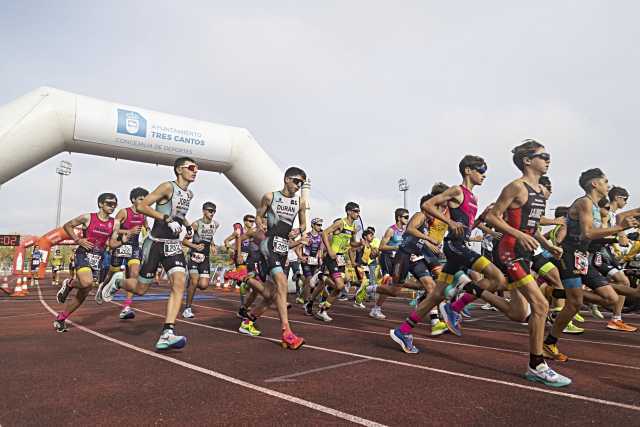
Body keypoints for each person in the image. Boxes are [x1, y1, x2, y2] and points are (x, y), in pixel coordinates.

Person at [98, 157, 198, 350]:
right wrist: (166, 218)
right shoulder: (167, 187)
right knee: (141, 289)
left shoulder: (189, 194)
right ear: (179, 169)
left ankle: (167, 332)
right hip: (154, 244)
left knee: (179, 282)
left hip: (173, 245)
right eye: (192, 168)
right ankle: (118, 280)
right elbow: (142, 207)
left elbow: (179, 214)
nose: (195, 171)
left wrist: (187, 225)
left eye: (197, 169)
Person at [543, 168, 638, 362]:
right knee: (575, 304)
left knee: (610, 299)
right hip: (569, 255)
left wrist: (620, 231)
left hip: (583, 257)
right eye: (605, 181)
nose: (608, 185)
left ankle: (561, 292)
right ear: (595, 184)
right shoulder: (584, 202)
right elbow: (587, 233)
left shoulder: (596, 206)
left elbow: (616, 221)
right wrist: (620, 228)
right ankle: (549, 343)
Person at [253, 167, 308, 349]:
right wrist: (261, 225)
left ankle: (249, 318)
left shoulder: (300, 202)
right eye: (296, 181)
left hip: (283, 246)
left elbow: (303, 224)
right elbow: (259, 216)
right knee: (283, 282)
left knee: (272, 294)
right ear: (286, 179)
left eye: (301, 183)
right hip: (269, 244)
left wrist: (298, 231)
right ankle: (287, 331)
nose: (298, 186)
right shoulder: (270, 197)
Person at [54, 193, 120, 332]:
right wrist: (78, 240)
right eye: (109, 203)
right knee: (87, 282)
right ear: (100, 204)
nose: (112, 206)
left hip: (98, 257)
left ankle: (61, 318)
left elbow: (112, 243)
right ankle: (70, 283)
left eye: (114, 204)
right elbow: (68, 226)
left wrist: (122, 241)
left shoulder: (115, 223)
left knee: (84, 292)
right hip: (83, 254)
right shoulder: (87, 217)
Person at [101, 187, 149, 320]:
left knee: (134, 275)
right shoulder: (124, 212)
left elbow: (145, 225)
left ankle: (126, 307)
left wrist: (148, 230)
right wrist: (128, 231)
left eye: (145, 199)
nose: (143, 201)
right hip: (121, 244)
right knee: (112, 273)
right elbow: (112, 229)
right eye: (141, 199)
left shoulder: (143, 214)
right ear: (133, 200)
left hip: (134, 247)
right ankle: (103, 288)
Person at [310, 202, 362, 322]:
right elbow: (324, 233)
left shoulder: (353, 227)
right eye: (355, 211)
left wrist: (359, 243)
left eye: (359, 211)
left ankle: (322, 308)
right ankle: (322, 310)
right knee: (339, 285)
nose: (358, 213)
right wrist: (329, 250)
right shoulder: (340, 223)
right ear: (349, 211)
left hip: (341, 259)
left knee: (340, 287)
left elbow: (352, 243)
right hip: (332, 257)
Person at [182, 202, 220, 318]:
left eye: (214, 211)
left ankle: (190, 285)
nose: (212, 213)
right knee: (194, 281)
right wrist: (195, 246)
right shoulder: (196, 224)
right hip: (194, 255)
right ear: (203, 211)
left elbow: (210, 235)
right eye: (210, 210)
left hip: (205, 257)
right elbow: (184, 241)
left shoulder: (215, 224)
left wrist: (213, 245)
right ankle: (187, 309)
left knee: (203, 285)